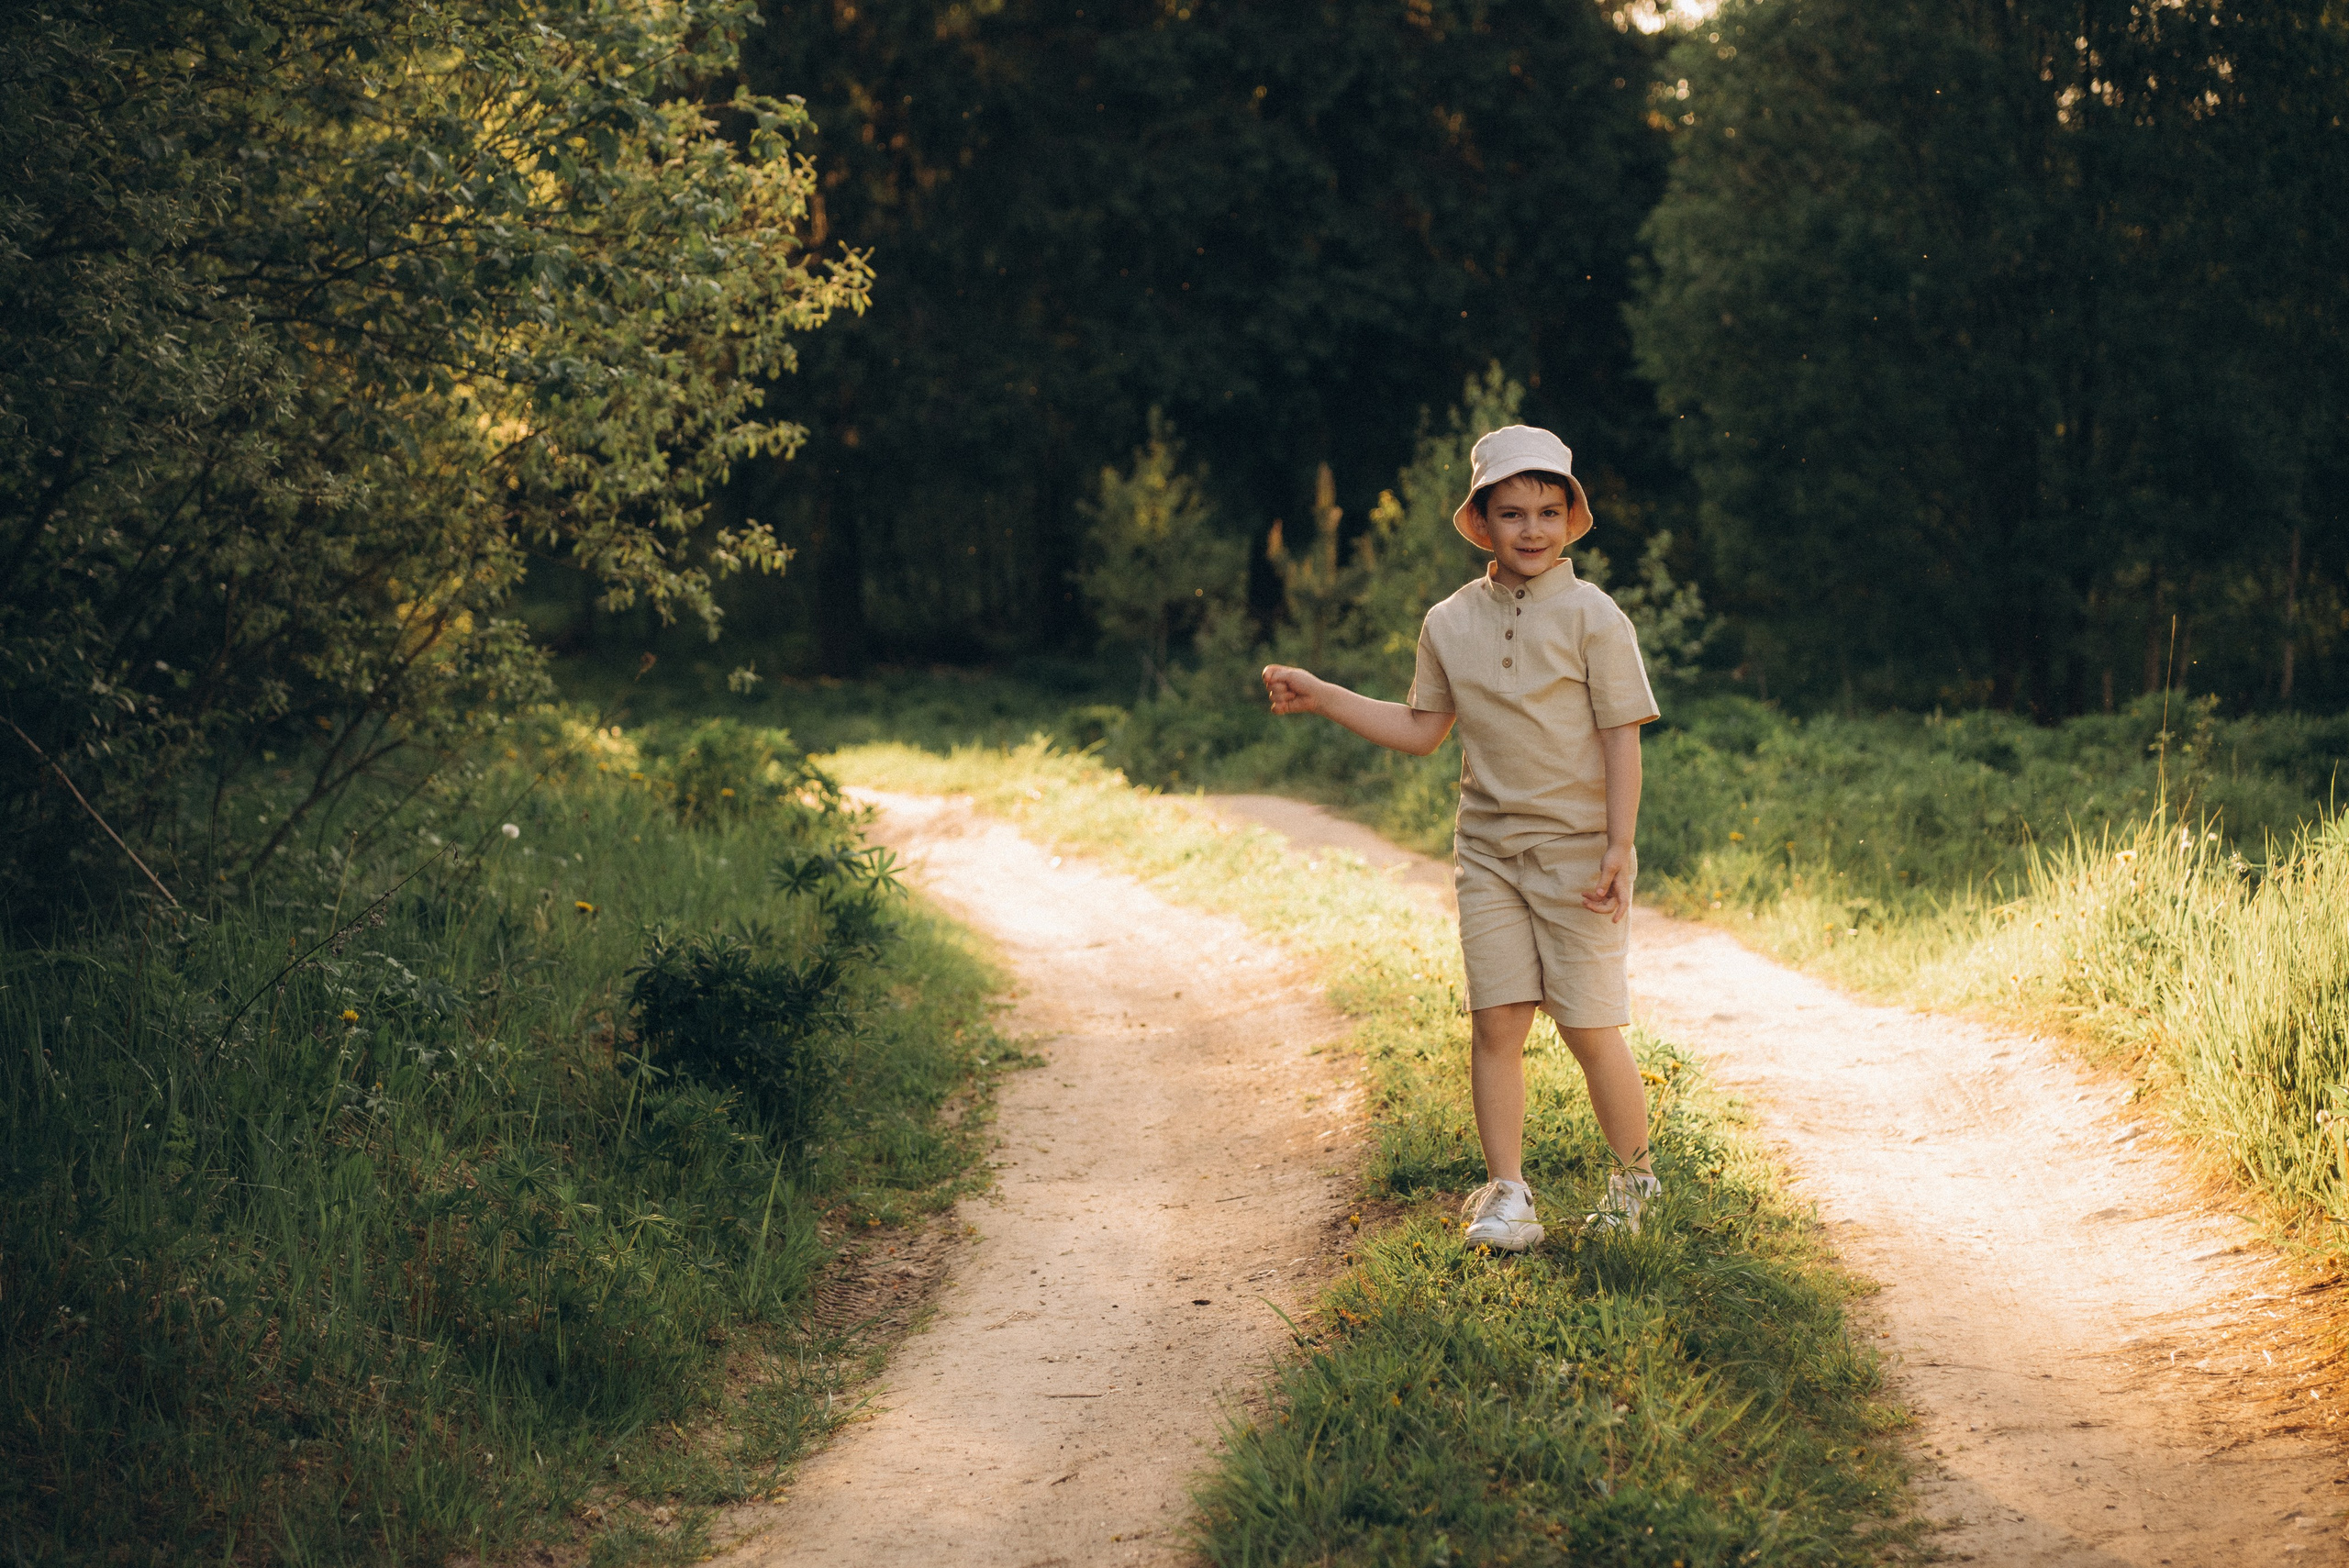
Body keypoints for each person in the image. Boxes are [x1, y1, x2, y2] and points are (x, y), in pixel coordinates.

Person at [1262, 425, 1661, 1249]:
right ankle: (1509, 1193)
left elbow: (1623, 735)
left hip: (1579, 854)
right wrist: (1324, 693)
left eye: (1549, 511)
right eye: (1512, 513)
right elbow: (1421, 728)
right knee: (1496, 1023)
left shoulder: (1594, 616)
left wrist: (1619, 847)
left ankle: (1635, 1182)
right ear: (1481, 521)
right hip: (1487, 853)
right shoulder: (1448, 621)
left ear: (1571, 517)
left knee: (1590, 1026)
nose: (1533, 530)